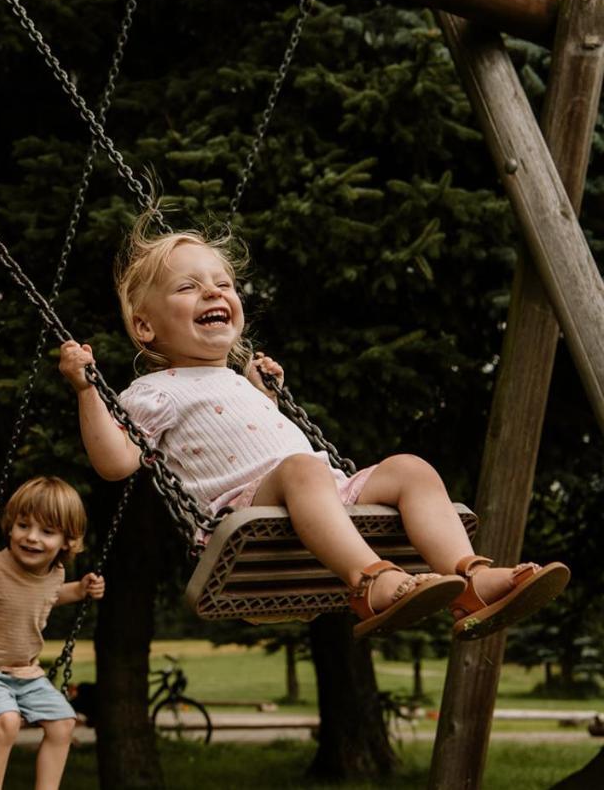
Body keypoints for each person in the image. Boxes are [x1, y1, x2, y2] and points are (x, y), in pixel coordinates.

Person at [57, 220, 568, 640]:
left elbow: (255, 437)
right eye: (189, 287)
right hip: (245, 512)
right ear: (146, 327)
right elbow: (115, 462)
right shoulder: (155, 390)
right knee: (302, 468)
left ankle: (471, 579)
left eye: (224, 283)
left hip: (321, 492)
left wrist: (267, 396)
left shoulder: (237, 378)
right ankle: (371, 580)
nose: (213, 291)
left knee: (410, 468)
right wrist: (87, 392)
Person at [0, 476, 105, 790]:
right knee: (7, 722)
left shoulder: (55, 574)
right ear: (10, 526)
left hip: (25, 673)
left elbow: (48, 596)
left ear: (68, 541)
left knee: (64, 724)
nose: (32, 538)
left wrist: (79, 590)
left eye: (47, 531)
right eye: (24, 525)